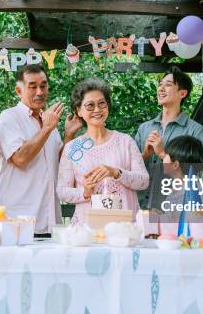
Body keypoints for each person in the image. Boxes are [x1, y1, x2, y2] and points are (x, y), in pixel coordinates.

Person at [0, 64, 82, 235]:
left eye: (43, 85)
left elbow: (58, 163)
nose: (40, 92)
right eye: (32, 86)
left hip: (50, 220)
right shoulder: (9, 117)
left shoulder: (49, 122)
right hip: (17, 220)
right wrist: (47, 128)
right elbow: (19, 159)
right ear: (18, 91)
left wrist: (68, 136)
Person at [57, 78, 150, 224]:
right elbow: (62, 191)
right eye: (89, 105)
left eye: (102, 103)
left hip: (124, 229)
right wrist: (85, 192)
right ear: (78, 111)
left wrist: (116, 172)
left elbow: (144, 181)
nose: (97, 109)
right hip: (86, 231)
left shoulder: (125, 141)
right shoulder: (71, 148)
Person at [135, 66, 203, 207]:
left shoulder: (196, 130)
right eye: (160, 84)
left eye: (168, 85)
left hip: (173, 208)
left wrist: (163, 154)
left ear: (182, 93)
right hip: (139, 206)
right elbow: (129, 168)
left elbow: (196, 171)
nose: (161, 89)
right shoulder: (144, 128)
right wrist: (144, 155)